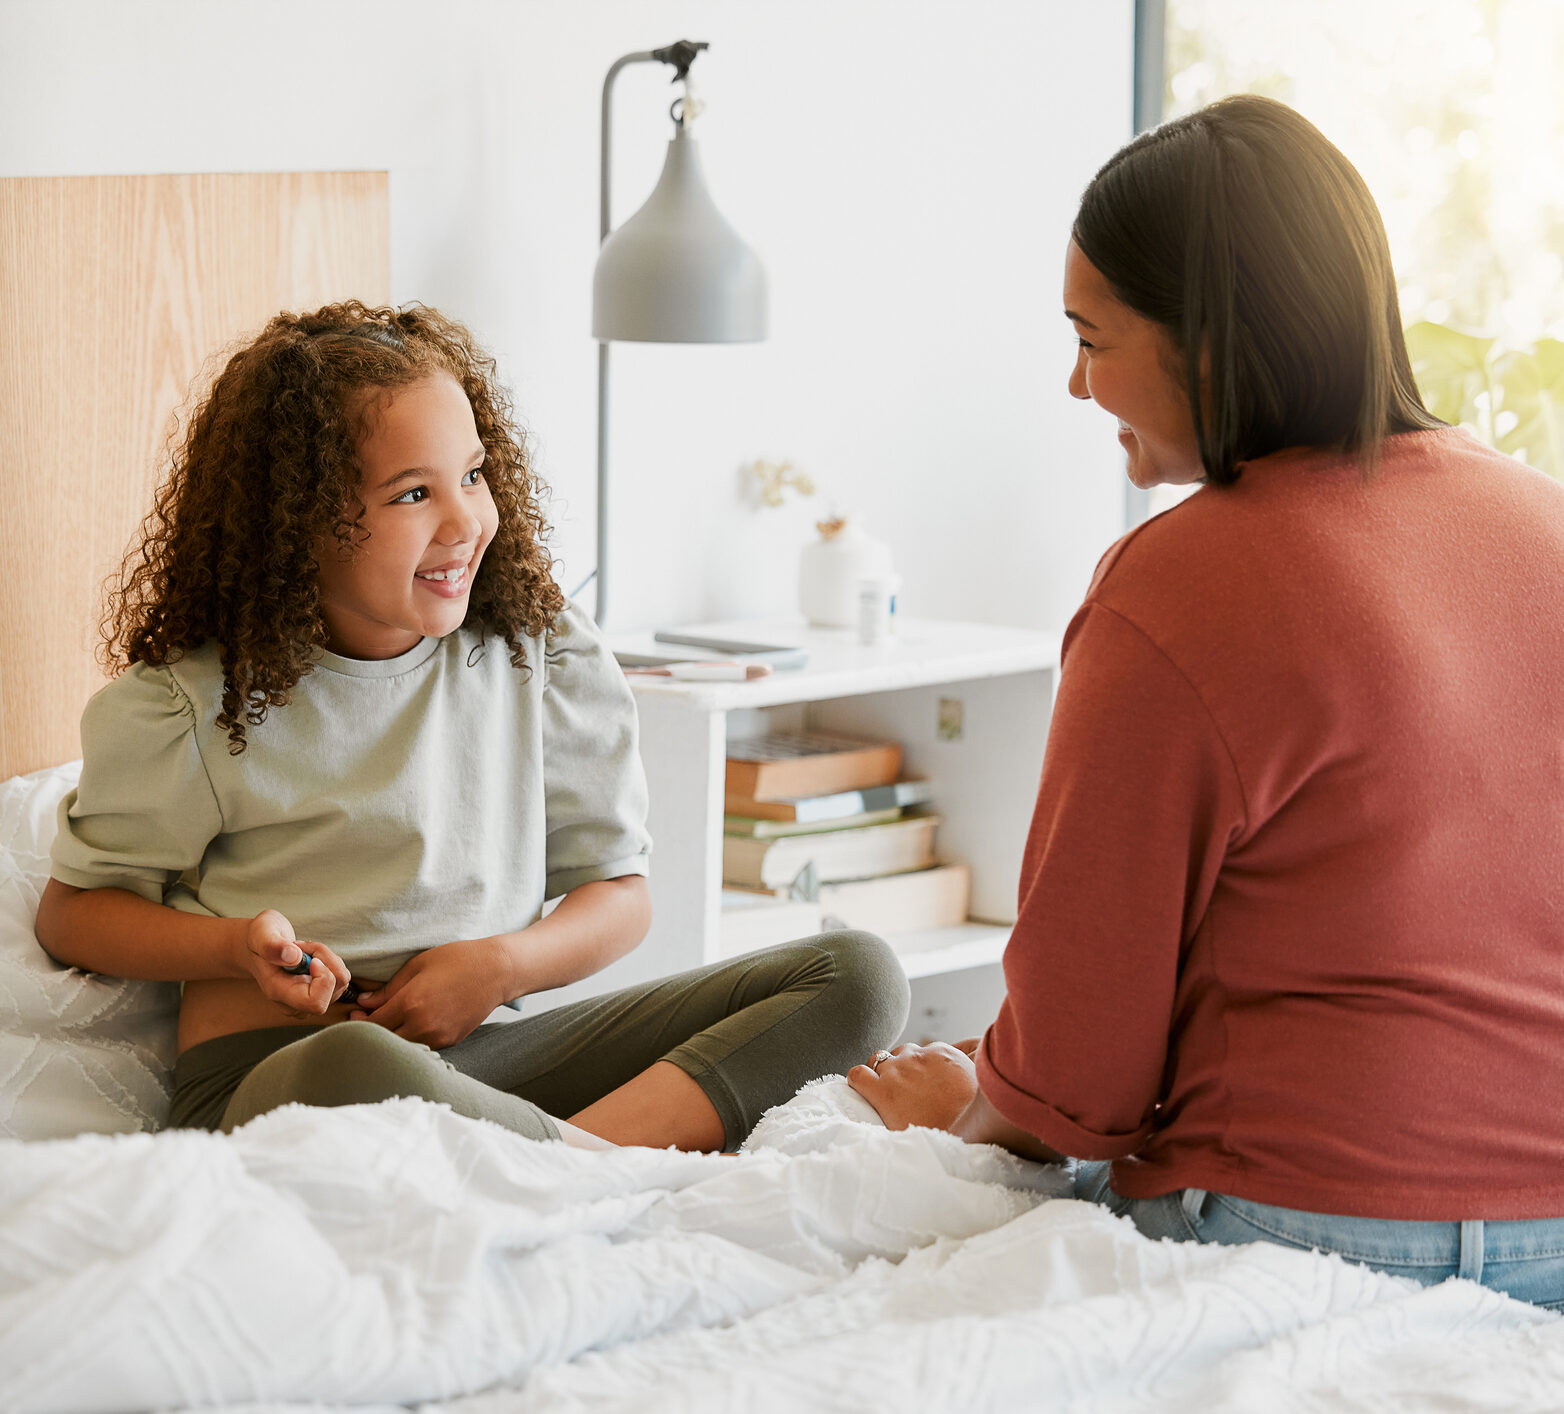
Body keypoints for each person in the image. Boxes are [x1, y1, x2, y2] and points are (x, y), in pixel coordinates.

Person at [848, 94, 1564, 1307]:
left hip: (1301, 1222)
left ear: (1214, 343)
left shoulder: (1174, 584)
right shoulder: (1545, 522)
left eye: (1092, 337)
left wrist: (958, 1111)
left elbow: (1077, 1074)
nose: (1076, 387)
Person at [34, 301, 907, 1151]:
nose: (465, 522)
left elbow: (620, 897)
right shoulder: (194, 705)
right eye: (413, 492)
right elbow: (76, 914)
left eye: (475, 475)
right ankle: (593, 1168)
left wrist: (502, 967)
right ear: (295, 523)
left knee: (859, 977)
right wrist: (236, 950)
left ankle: (555, 1164)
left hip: (485, 1062)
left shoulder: (542, 658)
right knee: (352, 1059)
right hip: (286, 1080)